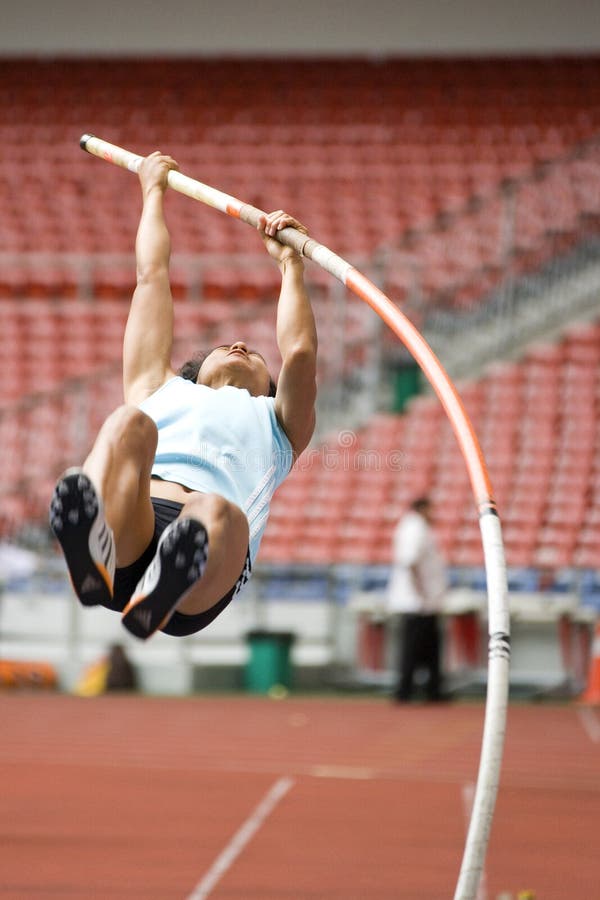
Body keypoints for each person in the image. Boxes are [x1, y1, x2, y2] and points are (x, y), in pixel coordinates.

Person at [49, 151, 317, 640]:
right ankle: (92, 555)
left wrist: (290, 267)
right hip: (134, 522)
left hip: (206, 564)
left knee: (216, 511)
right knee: (129, 423)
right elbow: (151, 276)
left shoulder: (280, 425)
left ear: (270, 385)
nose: (238, 346)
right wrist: (153, 193)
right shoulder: (159, 386)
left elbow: (299, 351)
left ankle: (161, 591)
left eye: (253, 354)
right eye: (225, 347)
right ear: (196, 371)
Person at [387, 497, 447, 702]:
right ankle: (406, 690)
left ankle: (432, 689)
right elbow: (410, 561)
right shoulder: (415, 528)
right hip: (417, 601)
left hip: (423, 600)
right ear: (423, 509)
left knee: (430, 648)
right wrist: (420, 590)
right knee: (413, 648)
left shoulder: (415, 527)